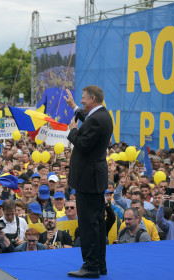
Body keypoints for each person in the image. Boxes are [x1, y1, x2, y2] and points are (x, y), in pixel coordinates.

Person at [65, 86, 113, 278]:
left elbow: (83, 144)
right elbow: (88, 120)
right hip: (93, 178)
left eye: (83, 99)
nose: (82, 101)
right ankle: (99, 264)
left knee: (88, 224)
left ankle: (91, 265)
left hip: (88, 180)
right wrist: (74, 107)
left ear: (92, 99)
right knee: (96, 223)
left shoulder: (97, 119)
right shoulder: (101, 115)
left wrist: (73, 131)